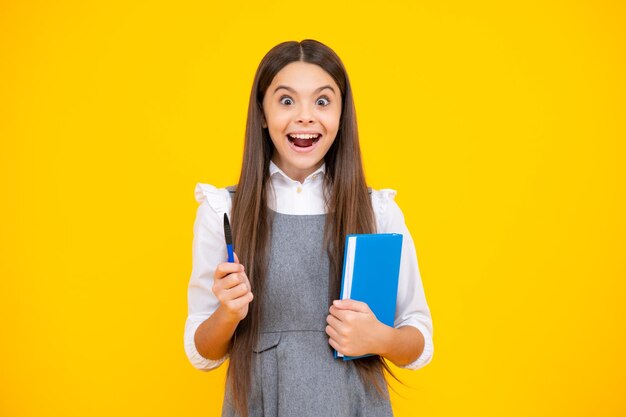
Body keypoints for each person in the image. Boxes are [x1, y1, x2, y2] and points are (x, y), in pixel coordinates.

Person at [184, 39, 434, 417]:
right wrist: (228, 313)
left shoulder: (377, 210)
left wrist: (380, 337)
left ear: (341, 113)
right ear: (263, 114)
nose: (305, 116)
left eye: (322, 101)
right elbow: (203, 350)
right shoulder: (224, 211)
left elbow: (417, 339)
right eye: (286, 100)